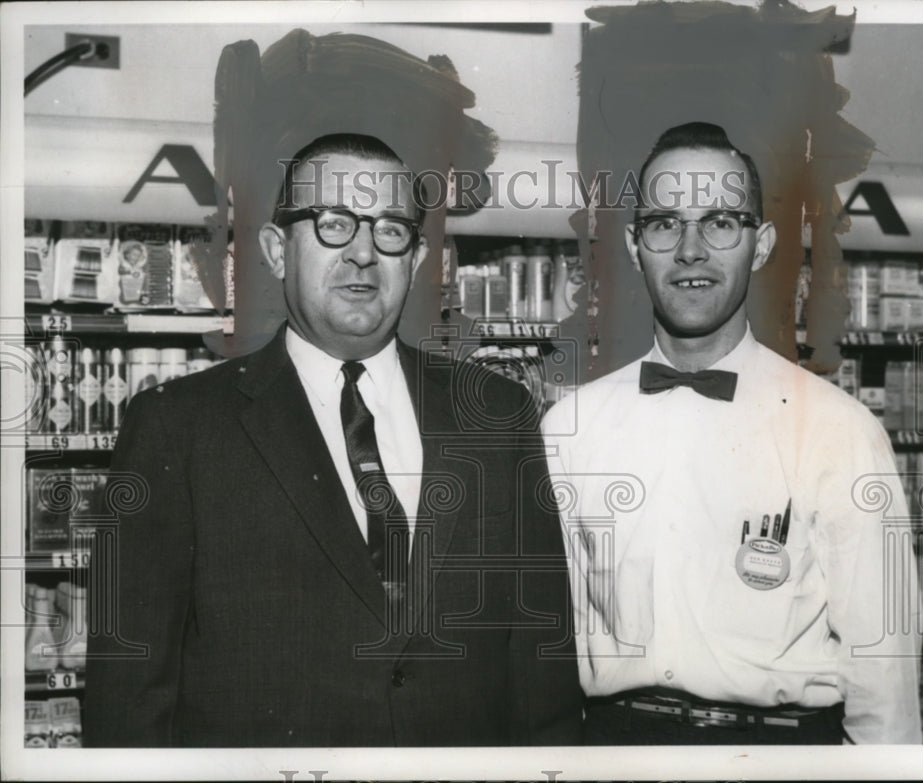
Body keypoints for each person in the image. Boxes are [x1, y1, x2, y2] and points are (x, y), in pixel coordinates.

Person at [84, 133, 582, 746]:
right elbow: (128, 689)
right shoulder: (177, 426)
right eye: (333, 224)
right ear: (274, 250)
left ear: (418, 260)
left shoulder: (498, 414)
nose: (363, 253)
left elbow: (541, 666)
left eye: (390, 229)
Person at [542, 122, 922, 745]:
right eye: (665, 223)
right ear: (636, 245)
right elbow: (550, 640)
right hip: (617, 749)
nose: (691, 249)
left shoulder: (837, 428)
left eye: (720, 221)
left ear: (763, 243)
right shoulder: (570, 428)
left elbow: (884, 670)